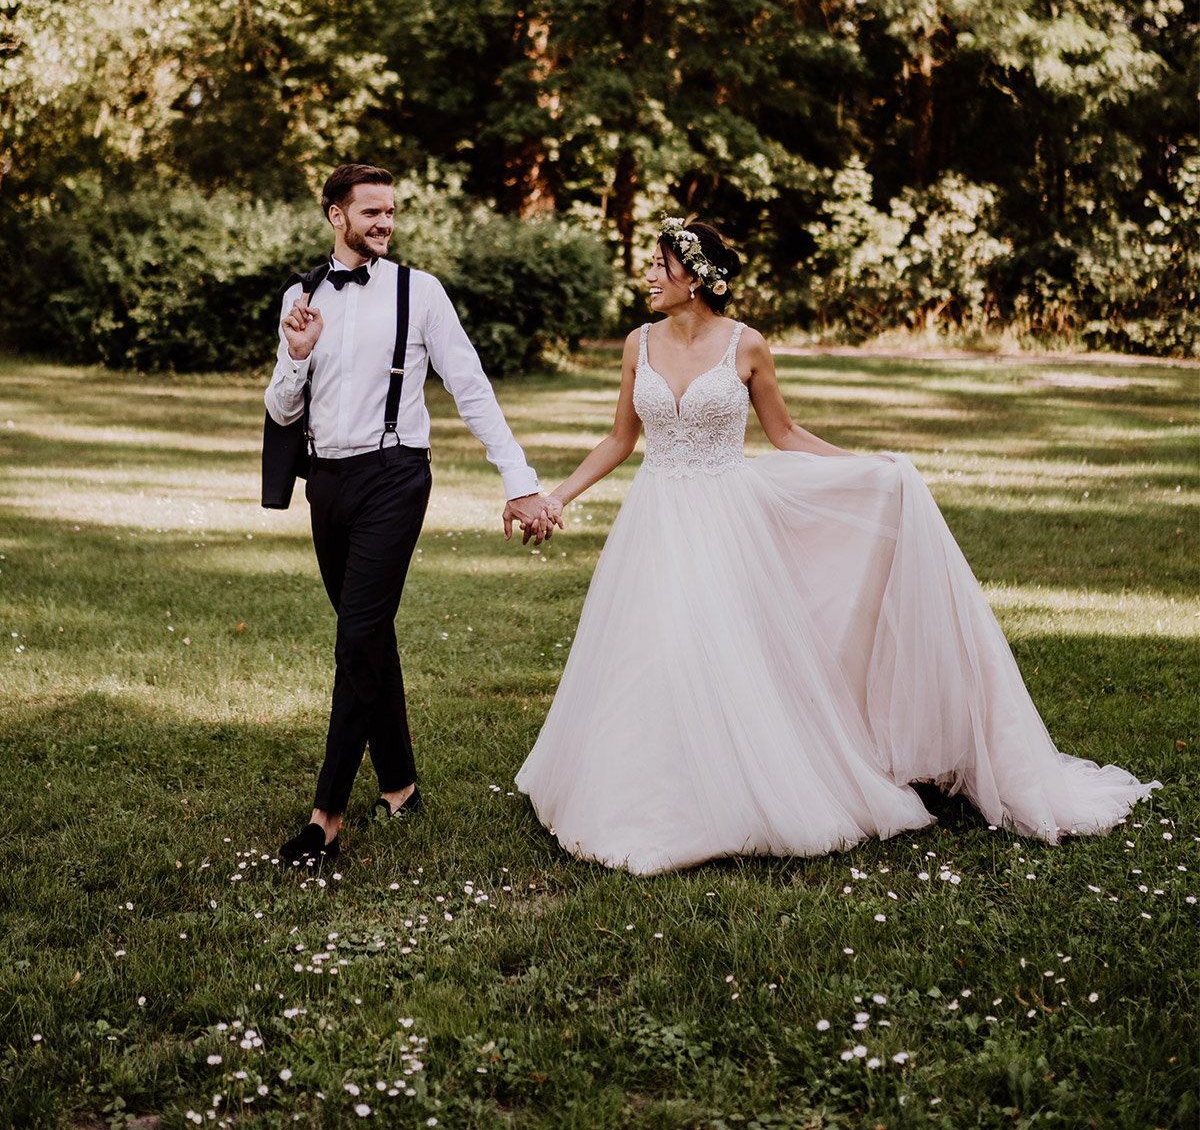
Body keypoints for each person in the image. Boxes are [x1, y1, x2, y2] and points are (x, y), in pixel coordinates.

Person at [516, 217, 1159, 876]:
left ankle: (743, 788)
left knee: (720, 651)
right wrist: (557, 497)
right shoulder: (638, 344)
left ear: (696, 276)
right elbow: (621, 440)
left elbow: (786, 434)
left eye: (659, 265)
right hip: (654, 518)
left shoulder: (746, 346)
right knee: (651, 652)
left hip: (727, 521)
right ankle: (642, 791)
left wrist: (867, 470)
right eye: (650, 265)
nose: (648, 275)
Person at [267, 163, 557, 866]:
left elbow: (472, 389)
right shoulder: (301, 296)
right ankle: (398, 784)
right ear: (336, 216)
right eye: (370, 212)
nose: (384, 224)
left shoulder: (420, 292)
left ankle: (325, 817)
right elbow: (280, 409)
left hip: (396, 478)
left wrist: (518, 480)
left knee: (354, 637)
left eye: (390, 212)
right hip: (326, 483)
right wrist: (297, 355)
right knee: (367, 637)